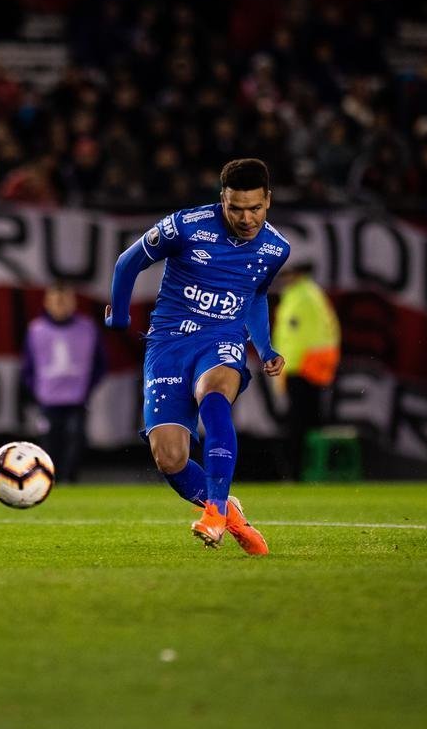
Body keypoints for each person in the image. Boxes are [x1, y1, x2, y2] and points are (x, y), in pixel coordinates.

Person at [104, 158, 289, 554]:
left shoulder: (276, 248)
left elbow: (255, 295)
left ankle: (215, 512)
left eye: (255, 208)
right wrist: (119, 316)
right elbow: (127, 262)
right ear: (222, 199)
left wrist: (265, 346)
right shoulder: (185, 226)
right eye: (236, 208)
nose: (246, 218)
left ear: (268, 201)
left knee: (214, 393)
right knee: (170, 458)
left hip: (222, 337)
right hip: (169, 342)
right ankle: (229, 511)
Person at [20, 283, 107, 483]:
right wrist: (37, 392)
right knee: (49, 443)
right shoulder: (36, 330)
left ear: (73, 302)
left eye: (65, 300)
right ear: (47, 303)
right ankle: (50, 480)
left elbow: (100, 363)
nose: (60, 305)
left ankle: (69, 481)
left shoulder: (87, 328)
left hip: (76, 400)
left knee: (75, 440)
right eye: (56, 301)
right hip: (48, 401)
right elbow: (28, 367)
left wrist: (86, 388)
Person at [271, 269, 341, 478]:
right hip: (310, 367)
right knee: (310, 423)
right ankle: (310, 472)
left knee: (298, 425)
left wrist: (283, 370)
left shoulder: (300, 298)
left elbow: (295, 340)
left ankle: (297, 473)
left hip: (301, 368)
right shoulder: (308, 294)